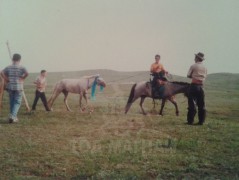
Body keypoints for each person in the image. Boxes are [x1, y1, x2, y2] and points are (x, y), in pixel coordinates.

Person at [1, 53, 28, 123]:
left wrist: (6, 78)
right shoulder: (22, 67)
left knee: (12, 101)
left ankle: (12, 116)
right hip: (18, 87)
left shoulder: (8, 67)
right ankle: (13, 116)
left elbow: (1, 72)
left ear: (12, 59)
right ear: (19, 59)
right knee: (17, 102)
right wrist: (22, 78)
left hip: (10, 87)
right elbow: (27, 73)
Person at [187, 52, 207, 125]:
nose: (194, 58)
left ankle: (190, 121)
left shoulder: (193, 66)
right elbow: (205, 76)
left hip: (194, 86)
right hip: (201, 86)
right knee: (202, 105)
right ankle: (201, 121)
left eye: (195, 57)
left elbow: (188, 75)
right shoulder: (205, 67)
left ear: (197, 58)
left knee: (192, 104)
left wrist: (194, 76)